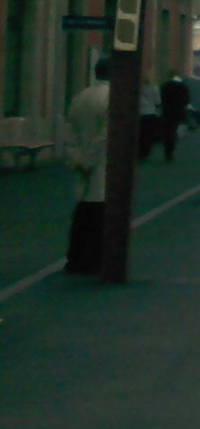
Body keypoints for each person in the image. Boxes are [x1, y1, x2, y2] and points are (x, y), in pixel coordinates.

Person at [65, 57, 110, 274]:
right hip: (101, 163)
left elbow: (70, 132)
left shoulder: (80, 97)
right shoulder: (112, 98)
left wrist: (77, 158)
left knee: (82, 211)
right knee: (98, 213)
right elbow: (105, 135)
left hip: (82, 161)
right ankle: (93, 259)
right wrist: (90, 159)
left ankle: (76, 257)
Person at [159, 71, 190, 162]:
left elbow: (161, 98)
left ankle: (168, 150)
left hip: (167, 111)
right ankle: (171, 148)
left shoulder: (165, 86)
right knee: (173, 129)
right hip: (178, 111)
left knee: (168, 130)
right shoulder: (182, 86)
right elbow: (187, 99)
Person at [138, 74, 161, 161]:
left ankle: (139, 151)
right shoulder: (154, 88)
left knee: (140, 133)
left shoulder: (137, 88)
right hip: (150, 112)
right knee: (148, 133)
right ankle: (146, 152)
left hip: (139, 112)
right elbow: (157, 101)